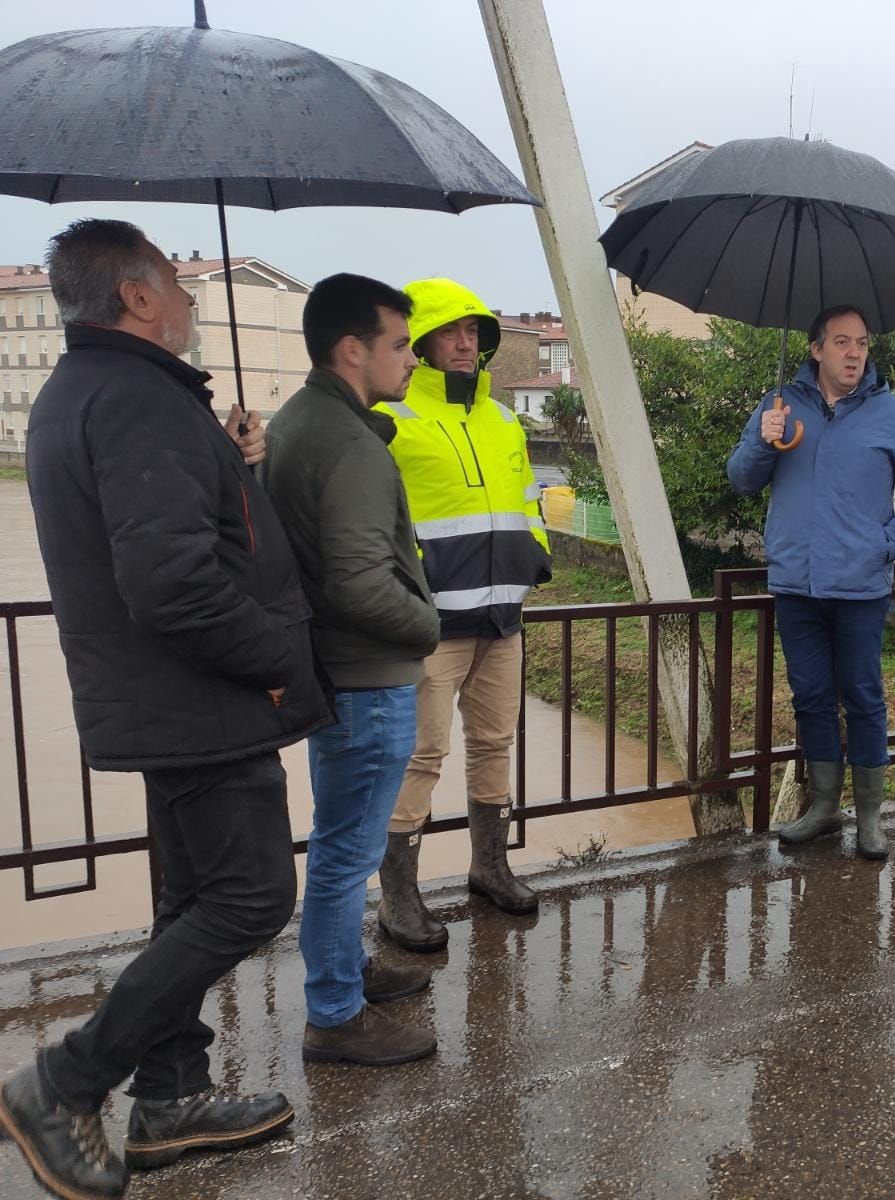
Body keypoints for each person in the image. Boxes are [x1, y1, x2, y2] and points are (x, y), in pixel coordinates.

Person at [0, 219, 328, 1199]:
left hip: (171, 696)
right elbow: (172, 586)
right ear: (137, 298)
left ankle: (170, 1098)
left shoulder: (99, 393)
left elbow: (178, 538)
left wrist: (230, 463)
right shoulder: (136, 400)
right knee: (251, 897)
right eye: (178, 290)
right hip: (201, 697)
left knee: (192, 899)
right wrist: (277, 661)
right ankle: (62, 1085)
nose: (191, 304)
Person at [260, 274, 442, 1066]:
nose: (411, 360)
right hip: (367, 679)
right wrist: (429, 624)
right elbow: (362, 582)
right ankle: (334, 1014)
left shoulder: (296, 423)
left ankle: (345, 972)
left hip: (330, 672)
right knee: (343, 853)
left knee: (339, 841)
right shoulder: (349, 443)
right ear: (351, 349)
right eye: (400, 345)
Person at [373, 278, 552, 951]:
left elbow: (527, 499)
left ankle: (489, 866)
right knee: (419, 756)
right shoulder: (392, 419)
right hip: (431, 626)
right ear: (419, 343)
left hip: (502, 618)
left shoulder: (503, 419)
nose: (464, 343)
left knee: (493, 745)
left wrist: (535, 557)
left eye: (474, 332)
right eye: (451, 331)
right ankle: (398, 897)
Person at [727, 305, 895, 859]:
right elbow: (742, 481)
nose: (854, 353)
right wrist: (761, 441)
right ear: (816, 349)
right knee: (813, 697)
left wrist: (890, 544)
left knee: (864, 699)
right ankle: (824, 806)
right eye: (842, 342)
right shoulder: (779, 406)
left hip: (861, 584)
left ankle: (870, 816)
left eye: (862, 343)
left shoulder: (891, 413)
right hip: (796, 581)